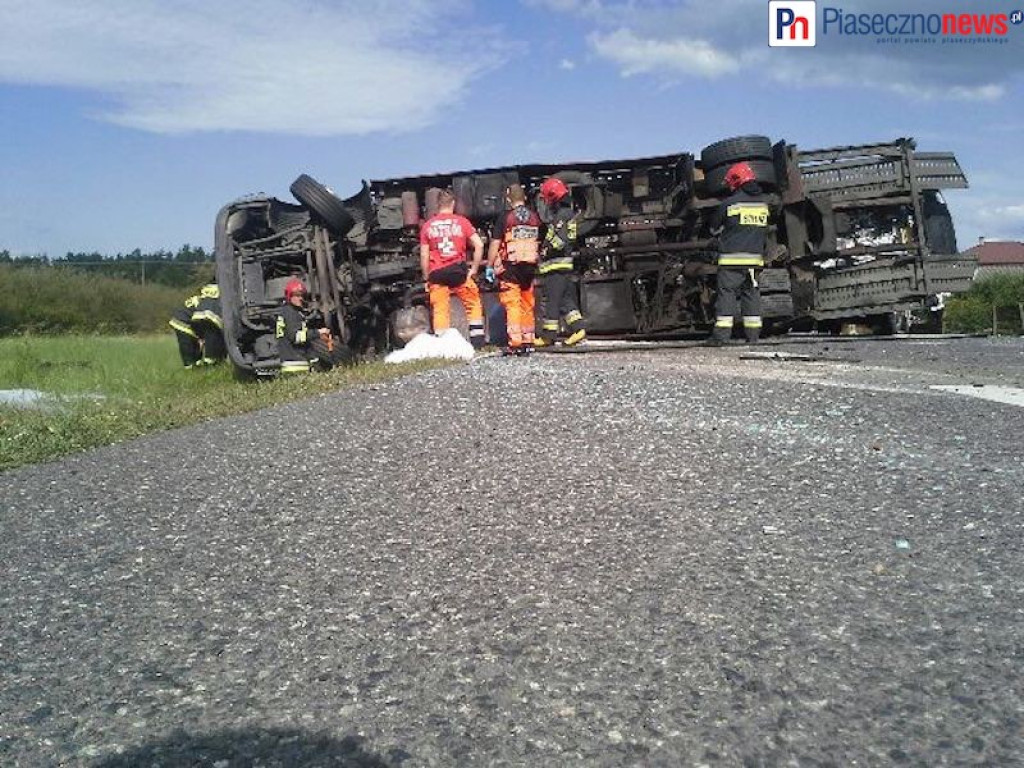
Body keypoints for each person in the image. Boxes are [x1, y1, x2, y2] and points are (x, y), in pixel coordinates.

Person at [708, 162, 769, 345]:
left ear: (736, 181)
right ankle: (752, 337)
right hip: (754, 261)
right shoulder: (763, 206)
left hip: (731, 260)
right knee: (751, 295)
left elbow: (713, 228)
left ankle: (721, 337)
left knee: (727, 295)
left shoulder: (729, 204)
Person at [419, 189, 486, 348]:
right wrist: (474, 269)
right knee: (472, 302)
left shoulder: (427, 226)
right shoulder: (462, 222)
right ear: (453, 204)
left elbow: (424, 256)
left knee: (440, 309)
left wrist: (426, 278)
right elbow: (479, 244)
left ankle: (443, 347)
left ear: (437, 205)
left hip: (437, 273)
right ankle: (478, 342)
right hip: (458, 271)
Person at [487, 183, 541, 356]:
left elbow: (495, 244)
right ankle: (528, 341)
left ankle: (516, 343)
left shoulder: (505, 217)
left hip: (512, 266)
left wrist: (489, 265)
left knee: (513, 304)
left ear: (508, 199)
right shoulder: (534, 217)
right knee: (527, 302)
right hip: (530, 266)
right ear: (524, 198)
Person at [536, 177, 586, 347]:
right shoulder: (565, 214)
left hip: (556, 265)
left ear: (552, 197)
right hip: (562, 265)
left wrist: (546, 250)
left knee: (552, 300)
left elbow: (560, 239)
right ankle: (579, 329)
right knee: (565, 300)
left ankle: (548, 336)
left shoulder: (561, 216)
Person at [275, 278, 331, 374]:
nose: (300, 298)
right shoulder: (290, 313)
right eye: (296, 295)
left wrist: (315, 360)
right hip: (295, 365)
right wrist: (318, 332)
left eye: (302, 295)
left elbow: (304, 343)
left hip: (295, 362)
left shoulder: (289, 312)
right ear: (289, 296)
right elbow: (296, 337)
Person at [168, 282, 224, 368]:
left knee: (193, 349)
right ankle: (205, 364)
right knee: (190, 348)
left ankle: (197, 366)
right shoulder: (217, 294)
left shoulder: (206, 294)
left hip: (189, 317)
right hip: (187, 320)